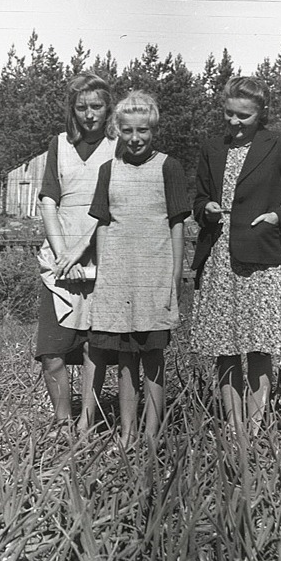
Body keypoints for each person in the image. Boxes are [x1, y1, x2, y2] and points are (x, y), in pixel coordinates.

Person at [190, 76, 281, 439]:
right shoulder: (211, 147)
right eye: (229, 113)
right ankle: (233, 426)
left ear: (261, 114)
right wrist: (207, 209)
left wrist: (278, 218)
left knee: (258, 342)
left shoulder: (279, 144)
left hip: (259, 255)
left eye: (243, 117)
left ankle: (256, 425)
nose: (233, 122)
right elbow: (198, 199)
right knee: (224, 344)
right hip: (218, 254)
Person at [85, 91, 189, 446]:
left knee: (153, 353)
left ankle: (152, 431)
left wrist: (173, 277)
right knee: (125, 356)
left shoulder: (168, 167)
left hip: (155, 273)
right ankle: (128, 431)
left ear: (153, 129)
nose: (135, 139)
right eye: (127, 131)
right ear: (118, 130)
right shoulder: (108, 170)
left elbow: (177, 225)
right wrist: (103, 275)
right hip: (118, 275)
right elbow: (102, 225)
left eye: (142, 131)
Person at [34, 72, 118, 426]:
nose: (89, 114)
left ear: (107, 108)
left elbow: (118, 204)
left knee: (92, 346)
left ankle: (87, 421)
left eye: (96, 106)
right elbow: (48, 201)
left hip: (102, 251)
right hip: (61, 254)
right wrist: (62, 252)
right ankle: (62, 422)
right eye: (81, 107)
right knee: (51, 350)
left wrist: (85, 249)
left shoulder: (119, 146)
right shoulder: (61, 145)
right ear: (73, 110)